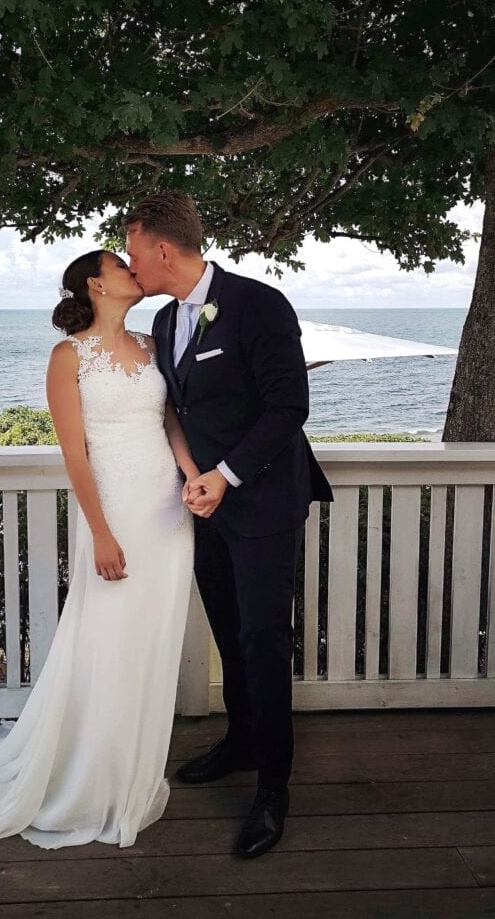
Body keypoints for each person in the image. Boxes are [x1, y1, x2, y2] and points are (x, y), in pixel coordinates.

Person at [0, 247, 200, 850]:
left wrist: (193, 474)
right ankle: (92, 776)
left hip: (167, 510)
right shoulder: (67, 356)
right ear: (96, 285)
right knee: (107, 636)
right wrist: (101, 532)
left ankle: (134, 765)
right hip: (115, 513)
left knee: (152, 635)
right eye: (120, 265)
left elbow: (170, 421)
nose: (133, 270)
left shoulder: (153, 345)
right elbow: (75, 453)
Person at [124, 190, 334, 858]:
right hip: (205, 506)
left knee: (263, 638)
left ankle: (273, 787)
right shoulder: (163, 321)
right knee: (227, 629)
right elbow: (181, 410)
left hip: (264, 502)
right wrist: (195, 478)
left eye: (133, 253)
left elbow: (288, 406)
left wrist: (227, 475)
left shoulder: (258, 304)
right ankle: (241, 740)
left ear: (163, 249)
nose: (130, 265)